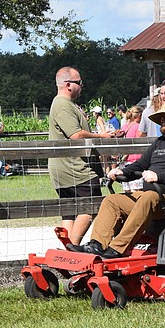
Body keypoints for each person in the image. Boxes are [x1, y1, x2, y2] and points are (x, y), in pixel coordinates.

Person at [69, 93, 165, 258]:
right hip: (156, 198)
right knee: (112, 201)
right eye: (162, 116)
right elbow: (141, 164)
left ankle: (117, 249)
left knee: (149, 197)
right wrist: (123, 171)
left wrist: (159, 177)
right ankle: (96, 245)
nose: (163, 120)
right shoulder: (161, 142)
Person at [48, 67, 120, 246]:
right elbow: (76, 135)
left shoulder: (64, 104)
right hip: (76, 169)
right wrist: (102, 136)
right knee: (91, 207)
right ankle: (72, 250)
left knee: (69, 211)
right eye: (79, 82)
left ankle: (67, 253)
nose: (82, 85)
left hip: (66, 168)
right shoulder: (63, 105)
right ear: (68, 85)